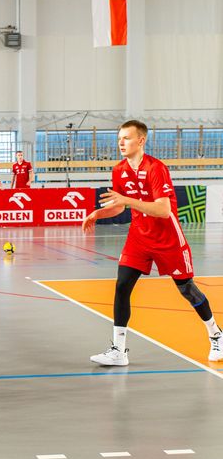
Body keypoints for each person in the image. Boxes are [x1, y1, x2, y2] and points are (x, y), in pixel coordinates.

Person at [82, 120, 222, 366]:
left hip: (168, 238)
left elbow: (163, 209)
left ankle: (216, 334)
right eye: (119, 139)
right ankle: (119, 350)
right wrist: (97, 214)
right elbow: (119, 207)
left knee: (187, 289)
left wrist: (126, 199)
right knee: (122, 285)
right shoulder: (118, 170)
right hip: (139, 237)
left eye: (126, 138)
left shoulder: (156, 168)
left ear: (141, 140)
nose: (121, 143)